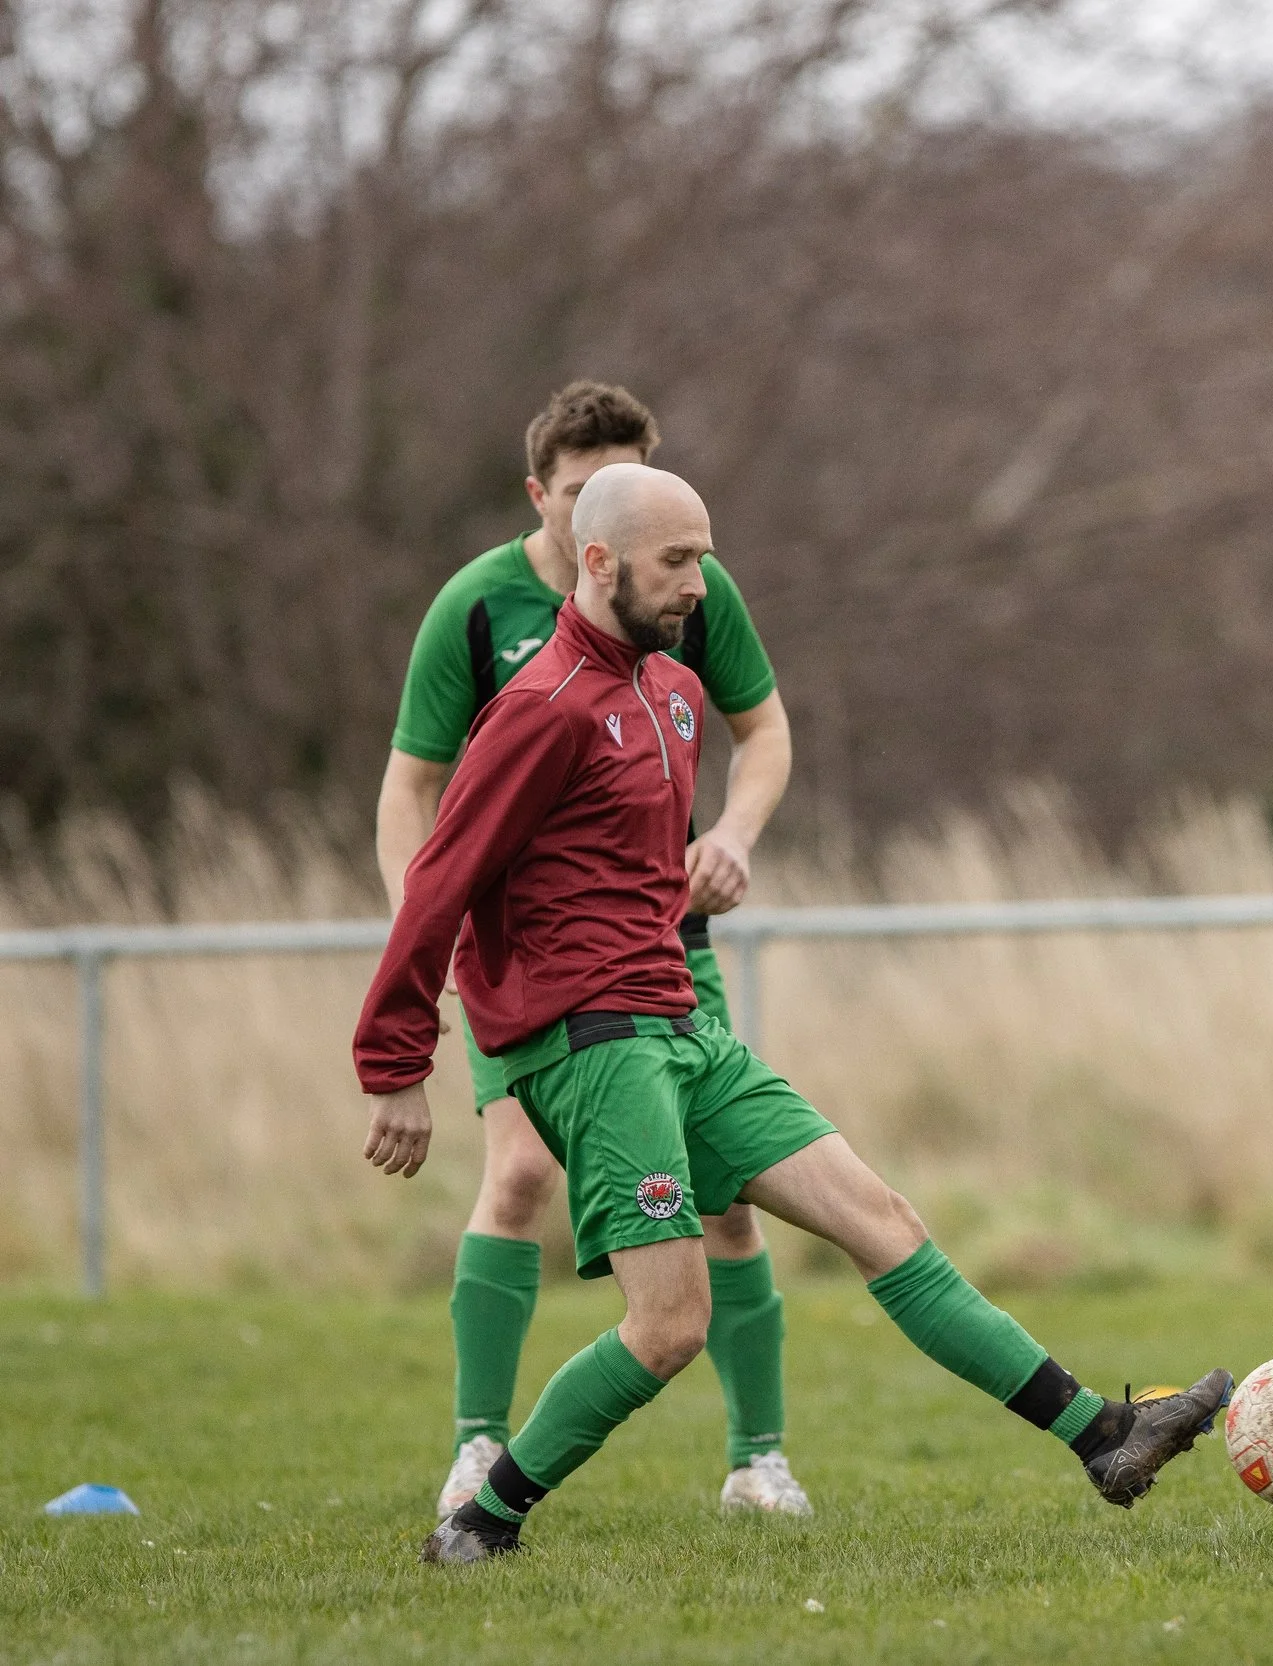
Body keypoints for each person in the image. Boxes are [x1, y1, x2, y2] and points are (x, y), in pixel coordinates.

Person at [357, 464, 1230, 1564]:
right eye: (677, 561)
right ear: (597, 561)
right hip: (591, 1044)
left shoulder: (672, 693)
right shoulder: (537, 710)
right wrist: (396, 1059)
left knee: (884, 1221)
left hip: (682, 1026)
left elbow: (626, 872)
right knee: (668, 1325)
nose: (701, 583)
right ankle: (482, 1522)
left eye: (707, 556)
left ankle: (1105, 1436)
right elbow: (439, 882)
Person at [376, 384, 811, 1520]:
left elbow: (760, 727)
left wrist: (731, 832)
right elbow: (415, 792)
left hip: (671, 948)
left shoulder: (685, 578)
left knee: (728, 1203)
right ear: (548, 500)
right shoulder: (476, 607)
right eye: (572, 498)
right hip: (532, 971)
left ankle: (757, 1458)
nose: (588, 525)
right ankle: (480, 1452)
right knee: (516, 1175)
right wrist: (429, 948)